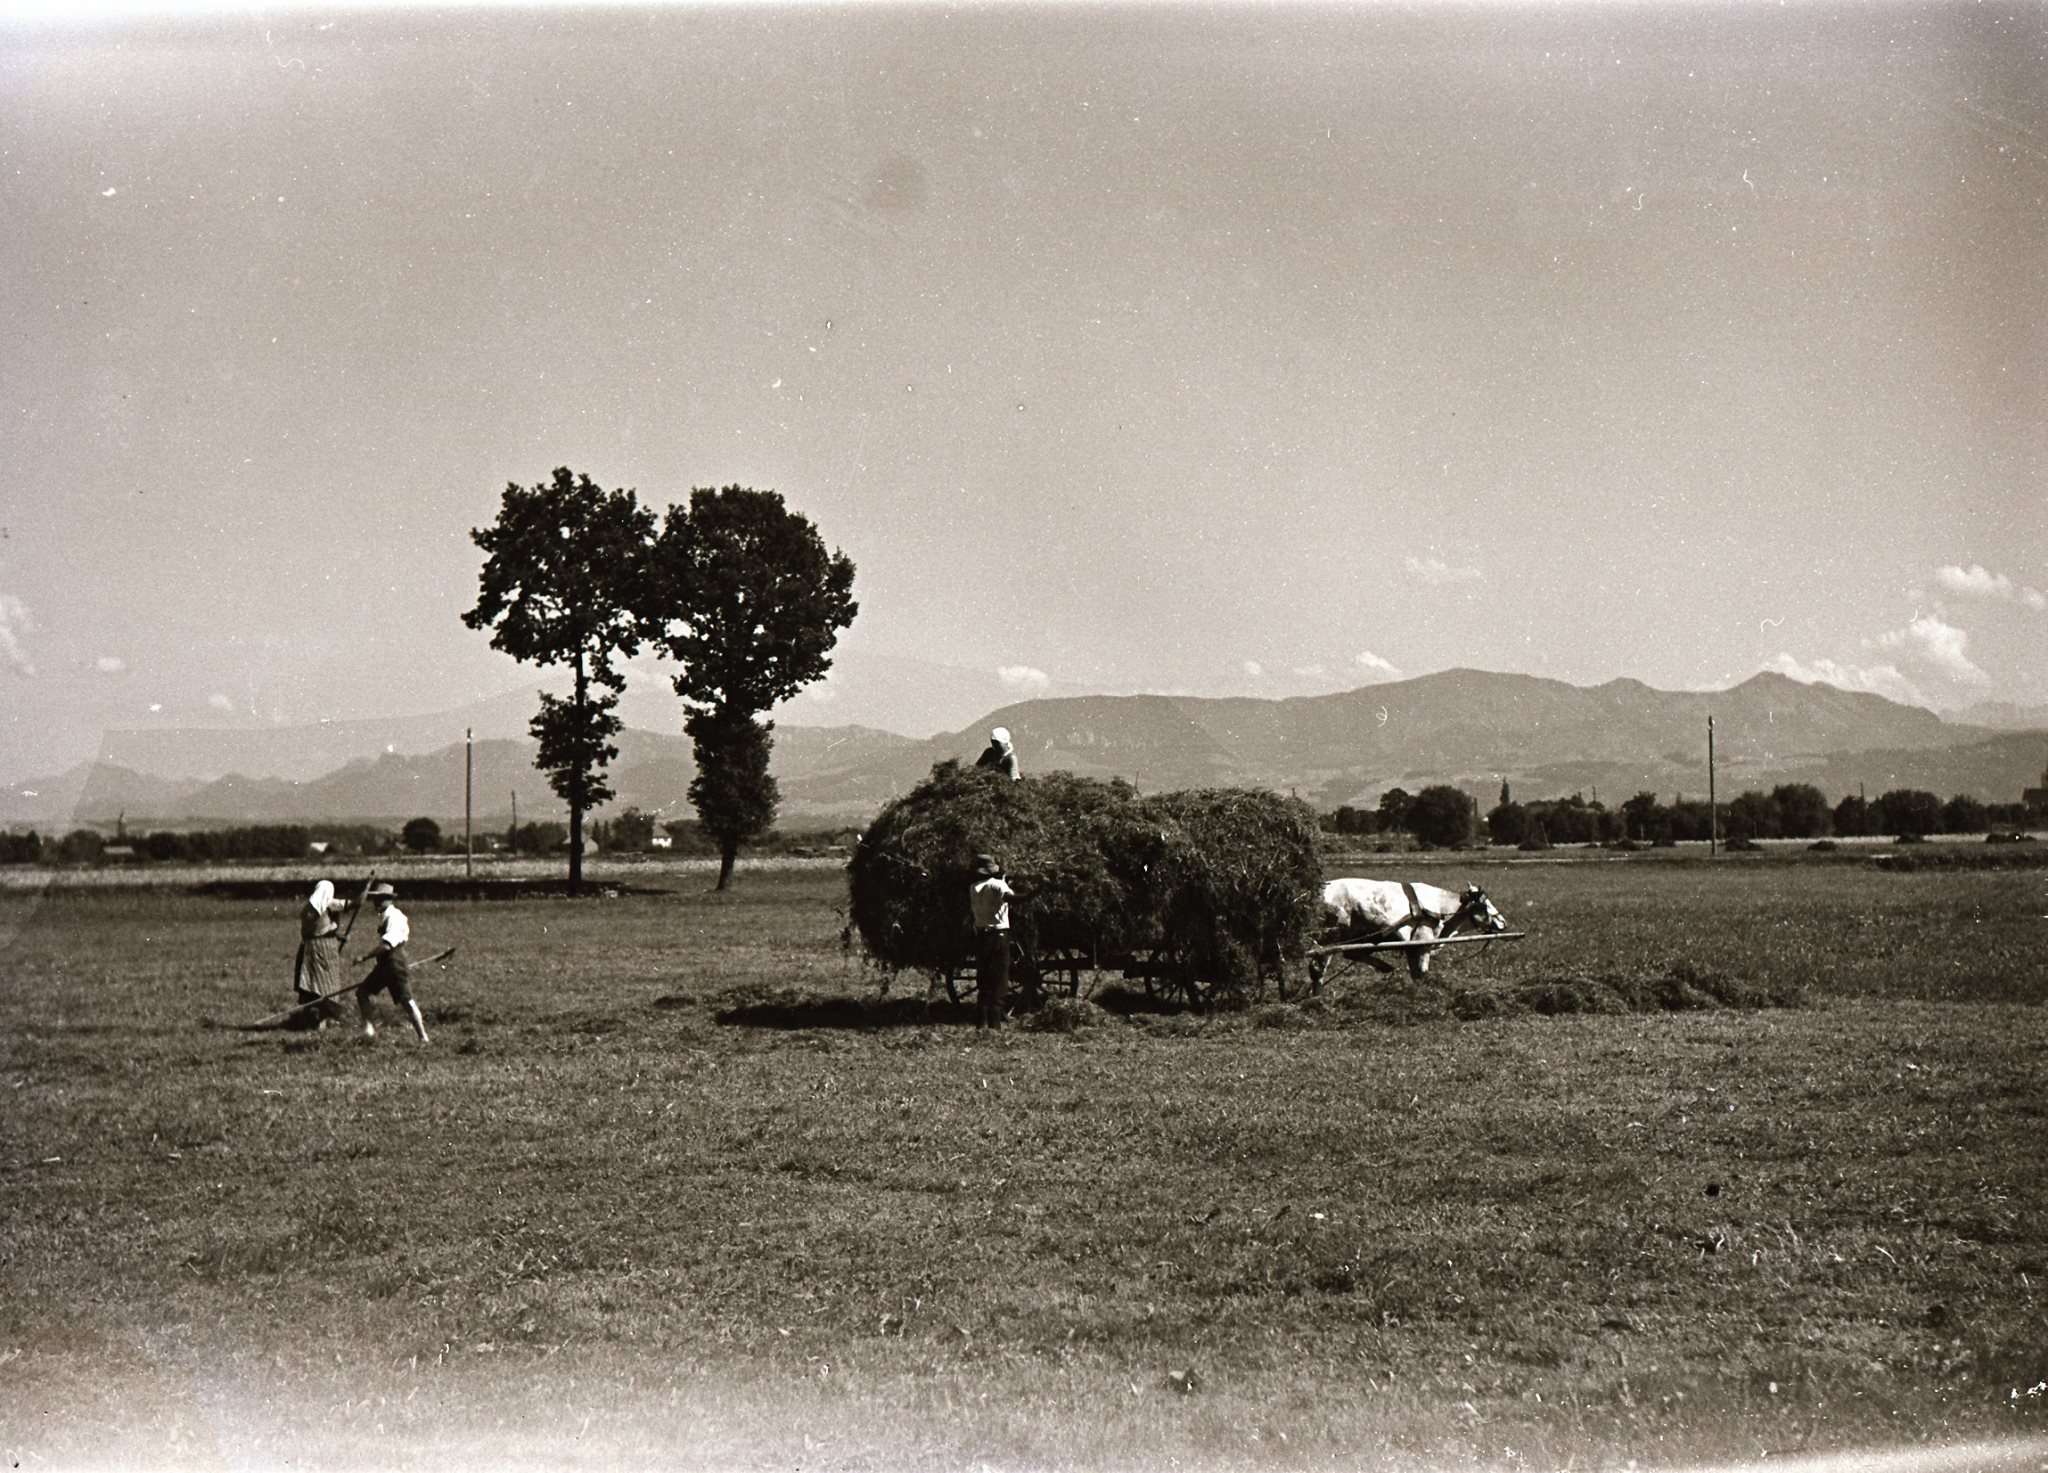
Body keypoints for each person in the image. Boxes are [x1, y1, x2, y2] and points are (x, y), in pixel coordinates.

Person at [357, 881, 429, 1044]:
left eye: (380, 899)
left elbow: (387, 945)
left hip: (394, 963)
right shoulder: (385, 916)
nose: (376, 903)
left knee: (406, 1001)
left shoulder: (395, 917)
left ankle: (423, 1037)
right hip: (384, 965)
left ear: (388, 899)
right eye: (375, 899)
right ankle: (369, 1031)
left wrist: (364, 957)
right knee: (362, 992)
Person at [290, 880, 353, 1028]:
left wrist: (338, 936)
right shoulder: (329, 904)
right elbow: (354, 903)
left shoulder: (308, 907)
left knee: (310, 985)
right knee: (326, 986)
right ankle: (320, 1022)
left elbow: (316, 930)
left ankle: (306, 1020)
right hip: (323, 951)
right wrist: (367, 889)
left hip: (307, 949)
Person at [968, 853, 1015, 1029]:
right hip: (998, 937)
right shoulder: (997, 885)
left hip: (981, 937)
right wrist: (1036, 892)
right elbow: (1012, 899)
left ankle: (981, 1025)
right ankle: (994, 1027)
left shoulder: (973, 887)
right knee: (1000, 982)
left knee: (985, 982)